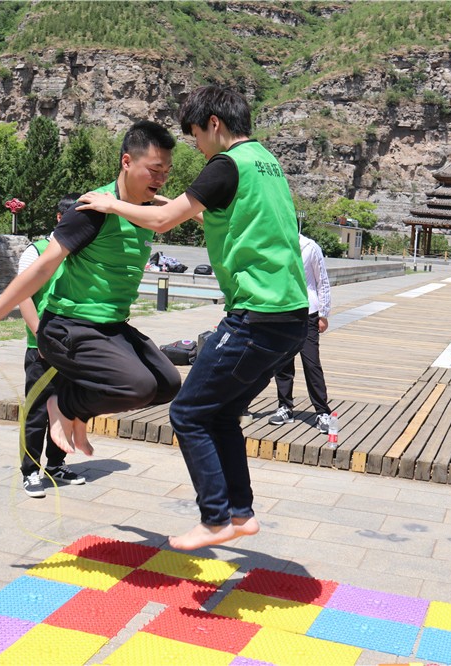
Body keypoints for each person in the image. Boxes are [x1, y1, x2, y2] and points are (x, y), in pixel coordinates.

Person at [77, 85, 309, 551]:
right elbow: (226, 219)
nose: (197, 147)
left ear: (214, 124)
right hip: (290, 316)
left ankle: (215, 518)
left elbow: (162, 223)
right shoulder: (265, 161)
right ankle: (240, 515)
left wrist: (110, 203)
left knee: (186, 413)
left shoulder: (225, 164)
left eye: (196, 136)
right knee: (220, 413)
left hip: (255, 316)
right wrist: (169, 205)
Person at [0, 121, 182, 458]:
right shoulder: (91, 210)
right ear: (127, 161)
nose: (161, 179)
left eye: (167, 173)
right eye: (154, 170)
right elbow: (43, 267)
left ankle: (77, 414)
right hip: (69, 326)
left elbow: (184, 213)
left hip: (112, 326)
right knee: (138, 386)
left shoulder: (145, 210)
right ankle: (64, 405)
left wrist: (155, 195)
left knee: (167, 383)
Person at [18, 193, 87, 498]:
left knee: (67, 410)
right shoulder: (36, 251)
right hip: (41, 348)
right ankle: (30, 470)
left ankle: (56, 465)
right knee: (37, 412)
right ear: (60, 219)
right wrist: (40, 337)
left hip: (73, 348)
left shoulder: (83, 253)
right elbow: (23, 296)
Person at [268, 232, 333, 432]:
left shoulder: (310, 247)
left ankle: (322, 411)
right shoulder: (276, 244)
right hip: (283, 311)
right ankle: (285, 407)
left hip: (308, 313)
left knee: (311, 363)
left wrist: (323, 313)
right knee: (283, 363)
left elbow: (322, 280)